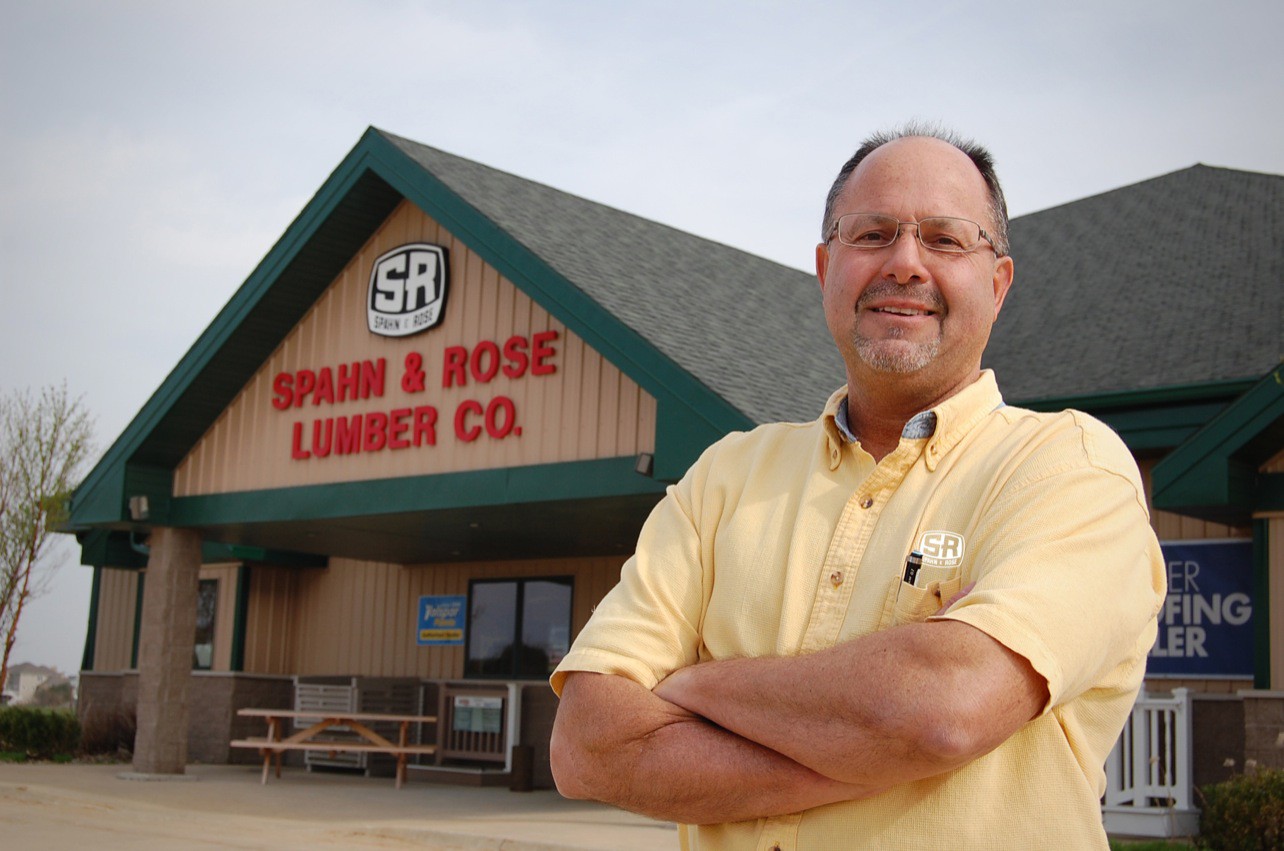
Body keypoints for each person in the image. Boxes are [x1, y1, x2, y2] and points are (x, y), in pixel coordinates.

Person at [548, 125, 1165, 850]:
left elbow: (942, 711)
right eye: (872, 234)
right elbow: (587, 745)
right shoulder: (723, 477)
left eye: (945, 238)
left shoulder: (1069, 467)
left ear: (997, 284)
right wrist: (884, 738)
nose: (905, 263)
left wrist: (692, 686)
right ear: (825, 267)